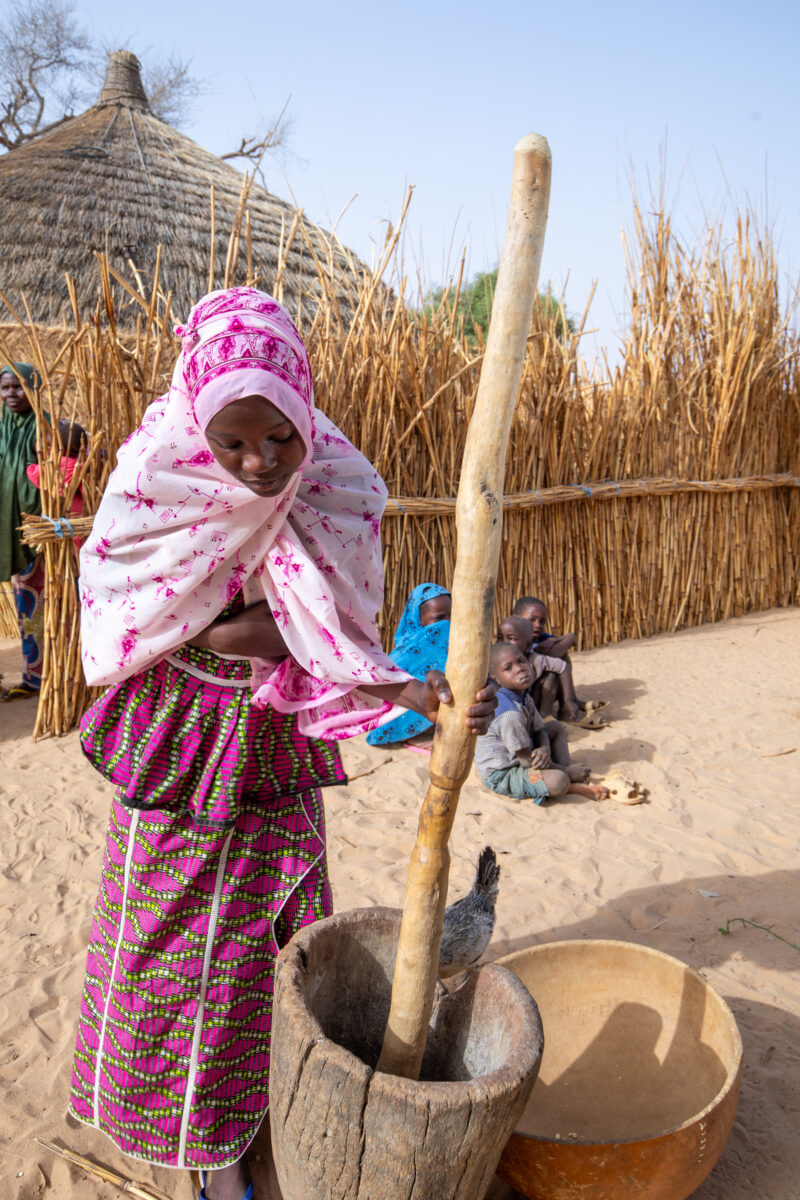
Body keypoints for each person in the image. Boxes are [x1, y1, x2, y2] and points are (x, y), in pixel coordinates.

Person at [70, 289, 495, 1200]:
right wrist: (241, 629)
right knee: (172, 942)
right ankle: (204, 1153)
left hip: (270, 740)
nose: (260, 463)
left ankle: (259, 1120)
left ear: (306, 412)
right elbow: (145, 609)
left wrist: (426, 694)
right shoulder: (157, 480)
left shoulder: (336, 484)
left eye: (280, 438)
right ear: (196, 422)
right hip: (182, 745)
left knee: (277, 940)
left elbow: (320, 631)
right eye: (233, 442)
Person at [474, 641, 608, 804]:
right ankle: (570, 782)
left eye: (521, 661)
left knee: (556, 728)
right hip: (504, 773)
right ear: (496, 679)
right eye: (508, 668)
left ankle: (566, 773)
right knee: (559, 781)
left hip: (525, 751)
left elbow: (540, 729)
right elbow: (526, 762)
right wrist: (565, 771)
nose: (519, 668)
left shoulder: (523, 696)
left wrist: (544, 748)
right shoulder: (510, 715)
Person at [0, 362, 44, 702]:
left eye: (19, 386)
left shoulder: (46, 428)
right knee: (22, 604)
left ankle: (41, 677)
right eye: (6, 387)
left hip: (38, 535)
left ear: (33, 387)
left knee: (38, 605)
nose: (12, 394)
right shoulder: (1, 428)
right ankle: (30, 674)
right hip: (7, 531)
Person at [365, 582, 452, 750]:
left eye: (450, 617)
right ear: (416, 620)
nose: (446, 624)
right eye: (439, 618)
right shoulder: (402, 655)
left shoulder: (451, 647)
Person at [512, 595, 607, 726]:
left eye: (542, 621)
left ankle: (568, 704)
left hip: (534, 693)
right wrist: (563, 641)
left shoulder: (539, 637)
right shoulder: (517, 642)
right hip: (524, 699)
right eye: (532, 620)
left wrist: (557, 639)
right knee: (553, 669)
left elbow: (572, 638)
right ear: (516, 618)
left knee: (561, 655)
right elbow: (554, 653)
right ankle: (556, 711)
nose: (537, 625)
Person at [26, 419, 87, 553]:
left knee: (58, 543)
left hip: (54, 508)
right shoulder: (81, 467)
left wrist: (33, 464)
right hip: (76, 510)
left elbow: (33, 473)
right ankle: (79, 565)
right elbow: (85, 492)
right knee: (78, 540)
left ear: (57, 446)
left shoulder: (50, 466)